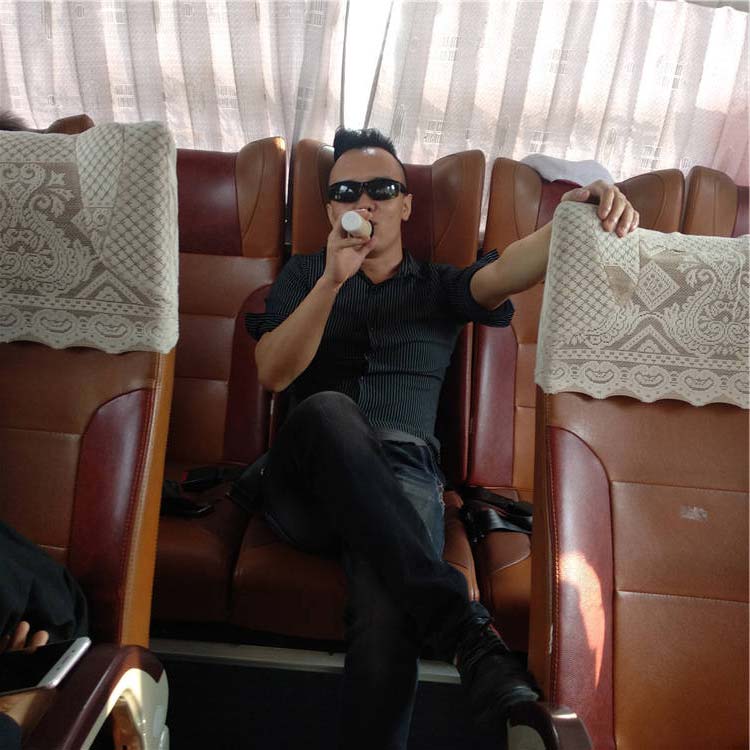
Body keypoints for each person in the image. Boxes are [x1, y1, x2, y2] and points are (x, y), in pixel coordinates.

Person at [245, 127, 638, 749]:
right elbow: (273, 373)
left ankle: (443, 643)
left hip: (404, 475)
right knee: (327, 410)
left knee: (387, 607)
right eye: (347, 191)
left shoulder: (439, 286)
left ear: (406, 204)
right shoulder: (304, 275)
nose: (364, 201)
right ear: (332, 209)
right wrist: (332, 281)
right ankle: (467, 634)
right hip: (306, 481)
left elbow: (506, 271)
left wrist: (571, 217)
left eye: (382, 189)